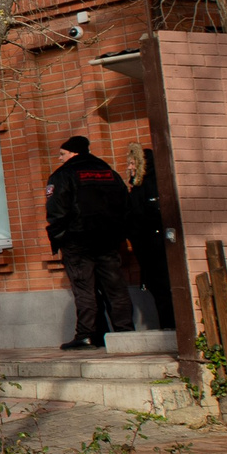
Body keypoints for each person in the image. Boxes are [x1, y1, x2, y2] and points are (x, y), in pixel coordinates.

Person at [48, 135, 134, 349]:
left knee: (84, 287)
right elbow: (125, 206)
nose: (60, 158)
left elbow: (56, 211)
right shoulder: (109, 173)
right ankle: (125, 332)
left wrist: (60, 238)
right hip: (108, 240)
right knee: (115, 287)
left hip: (78, 241)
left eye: (62, 154)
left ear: (74, 153)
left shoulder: (63, 175)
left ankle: (87, 335)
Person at [126, 146, 175, 332]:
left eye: (133, 163)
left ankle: (170, 326)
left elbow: (150, 216)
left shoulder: (152, 185)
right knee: (159, 288)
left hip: (156, 247)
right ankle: (168, 325)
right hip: (147, 247)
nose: (130, 167)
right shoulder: (138, 187)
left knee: (163, 288)